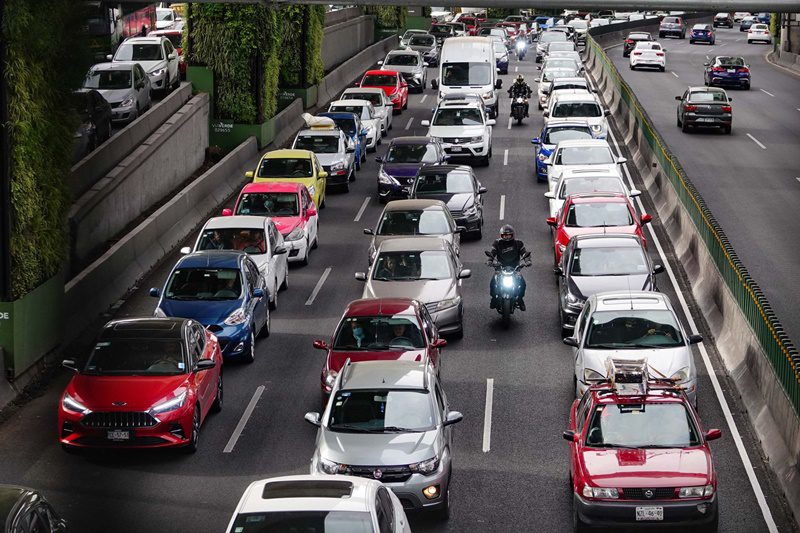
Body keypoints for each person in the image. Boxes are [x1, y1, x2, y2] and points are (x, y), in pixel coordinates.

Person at [487, 224, 531, 310]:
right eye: (505, 235)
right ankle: (493, 299)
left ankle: (520, 299)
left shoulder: (518, 243)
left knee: (522, 283)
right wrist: (490, 261)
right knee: (493, 282)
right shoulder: (497, 243)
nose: (507, 237)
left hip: (515, 268)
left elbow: (524, 253)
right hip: (500, 268)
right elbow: (492, 253)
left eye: (509, 235)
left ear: (512, 235)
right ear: (501, 235)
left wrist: (527, 261)